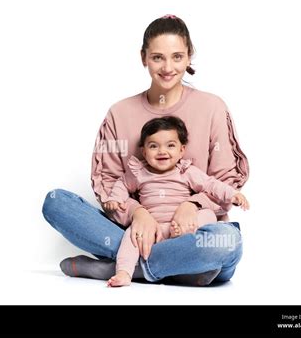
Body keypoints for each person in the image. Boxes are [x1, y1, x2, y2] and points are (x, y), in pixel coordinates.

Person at [42, 14, 249, 286]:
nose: (167, 67)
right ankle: (179, 269)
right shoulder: (119, 113)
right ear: (143, 58)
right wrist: (138, 214)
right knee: (56, 203)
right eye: (157, 57)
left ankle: (128, 267)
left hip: (195, 234)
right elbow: (109, 187)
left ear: (189, 57)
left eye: (177, 57)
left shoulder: (212, 108)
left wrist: (192, 204)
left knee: (227, 244)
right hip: (138, 232)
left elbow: (225, 183)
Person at [104, 116, 249, 287]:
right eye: (153, 146)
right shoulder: (139, 173)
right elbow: (122, 183)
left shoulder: (186, 171)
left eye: (170, 145)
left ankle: (178, 240)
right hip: (153, 230)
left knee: (208, 214)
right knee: (131, 235)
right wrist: (115, 198)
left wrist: (232, 194)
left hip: (183, 225)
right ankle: (124, 272)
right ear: (144, 152)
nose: (162, 151)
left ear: (182, 150)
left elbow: (210, 184)